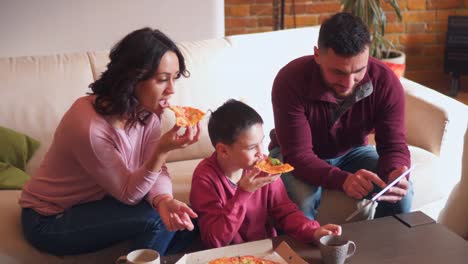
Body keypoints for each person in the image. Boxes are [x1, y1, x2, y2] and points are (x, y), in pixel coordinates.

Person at [19, 28, 201, 256]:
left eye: (175, 78)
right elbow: (129, 194)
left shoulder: (146, 113)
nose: (171, 90)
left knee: (187, 222)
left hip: (101, 202)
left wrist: (163, 199)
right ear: (133, 78)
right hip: (50, 218)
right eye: (163, 79)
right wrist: (162, 150)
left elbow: (156, 171)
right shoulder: (88, 126)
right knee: (158, 221)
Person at [269, 12, 413, 220]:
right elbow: (298, 155)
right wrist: (342, 180)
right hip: (290, 155)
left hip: (353, 151)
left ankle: (389, 250)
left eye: (359, 71)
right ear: (317, 55)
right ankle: (295, 253)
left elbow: (394, 145)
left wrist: (395, 173)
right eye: (338, 72)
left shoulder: (385, 82)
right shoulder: (290, 80)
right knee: (301, 201)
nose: (349, 83)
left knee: (401, 195)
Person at [190, 99, 341, 249]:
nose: (260, 152)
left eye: (261, 142)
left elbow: (285, 212)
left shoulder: (264, 166)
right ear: (223, 150)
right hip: (225, 255)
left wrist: (314, 232)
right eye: (251, 147)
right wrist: (243, 193)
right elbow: (214, 241)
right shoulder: (205, 178)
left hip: (264, 249)